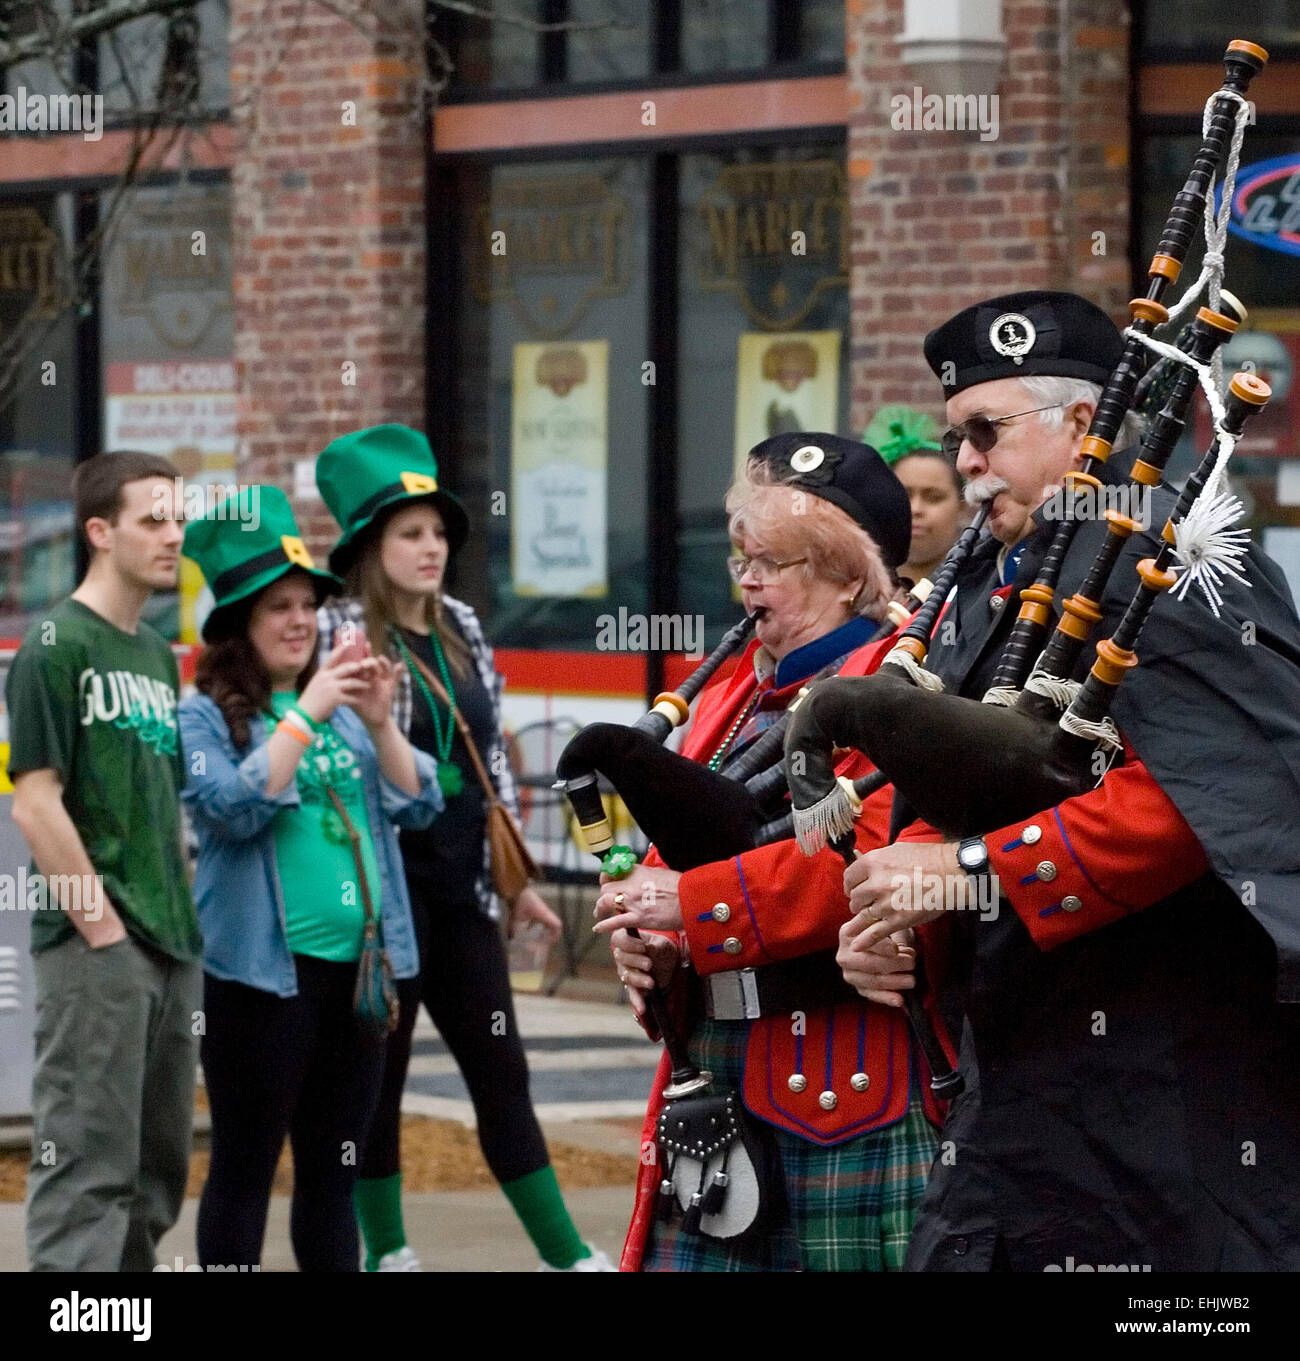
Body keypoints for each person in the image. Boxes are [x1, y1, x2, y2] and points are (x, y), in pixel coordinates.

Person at [838, 289, 1300, 1271]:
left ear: (1083, 423)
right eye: (957, 434)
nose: (963, 460)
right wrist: (903, 904)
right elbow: (995, 776)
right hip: (1018, 1088)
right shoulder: (1003, 582)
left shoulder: (1174, 558)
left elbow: (1210, 793)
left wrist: (969, 870)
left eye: (984, 432)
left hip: (1161, 1092)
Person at [595, 433, 952, 1272]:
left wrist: (690, 905)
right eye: (741, 558)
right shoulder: (725, 696)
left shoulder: (898, 693)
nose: (746, 580)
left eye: (773, 561)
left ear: (846, 571)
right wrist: (654, 943)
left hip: (844, 1078)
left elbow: (857, 868)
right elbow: (671, 860)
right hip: (715, 1075)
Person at [314, 424, 612, 1272]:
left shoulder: (463, 626)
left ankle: (565, 1254)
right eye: (411, 532)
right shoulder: (341, 633)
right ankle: (390, 1250)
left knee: (501, 1071)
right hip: (377, 902)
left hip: (462, 897)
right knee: (377, 1086)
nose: (431, 546)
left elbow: (490, 766)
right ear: (372, 546)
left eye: (439, 531)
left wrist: (514, 881)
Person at [179, 486, 442, 1272]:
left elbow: (421, 801)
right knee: (245, 1167)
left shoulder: (345, 706)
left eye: (307, 605)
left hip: (361, 979)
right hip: (264, 982)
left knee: (334, 1173)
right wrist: (306, 711)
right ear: (239, 625)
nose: (300, 621)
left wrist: (383, 722)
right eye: (277, 608)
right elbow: (229, 808)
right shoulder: (203, 715)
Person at [7, 450, 200, 1272]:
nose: (172, 535)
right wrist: (104, 932)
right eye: (152, 519)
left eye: (178, 518)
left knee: (156, 1175)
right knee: (87, 1167)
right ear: (99, 530)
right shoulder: (54, 644)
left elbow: (165, 806)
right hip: (100, 951)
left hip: (171, 944)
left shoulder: (159, 655)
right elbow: (35, 800)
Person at [865, 406, 968, 587]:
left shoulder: (980, 589)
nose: (915, 509)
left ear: (961, 506)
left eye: (934, 497)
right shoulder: (855, 590)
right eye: (903, 495)